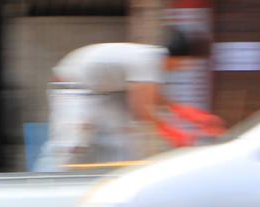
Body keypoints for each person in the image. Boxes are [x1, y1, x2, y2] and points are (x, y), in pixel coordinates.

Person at [36, 27, 211, 171]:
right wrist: (173, 132)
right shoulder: (147, 61)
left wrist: (181, 111)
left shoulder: (152, 61)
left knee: (121, 142)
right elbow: (141, 110)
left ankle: (106, 183)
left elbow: (151, 95)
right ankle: (44, 184)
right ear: (174, 57)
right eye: (183, 63)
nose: (181, 68)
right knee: (71, 143)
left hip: (101, 92)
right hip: (73, 86)